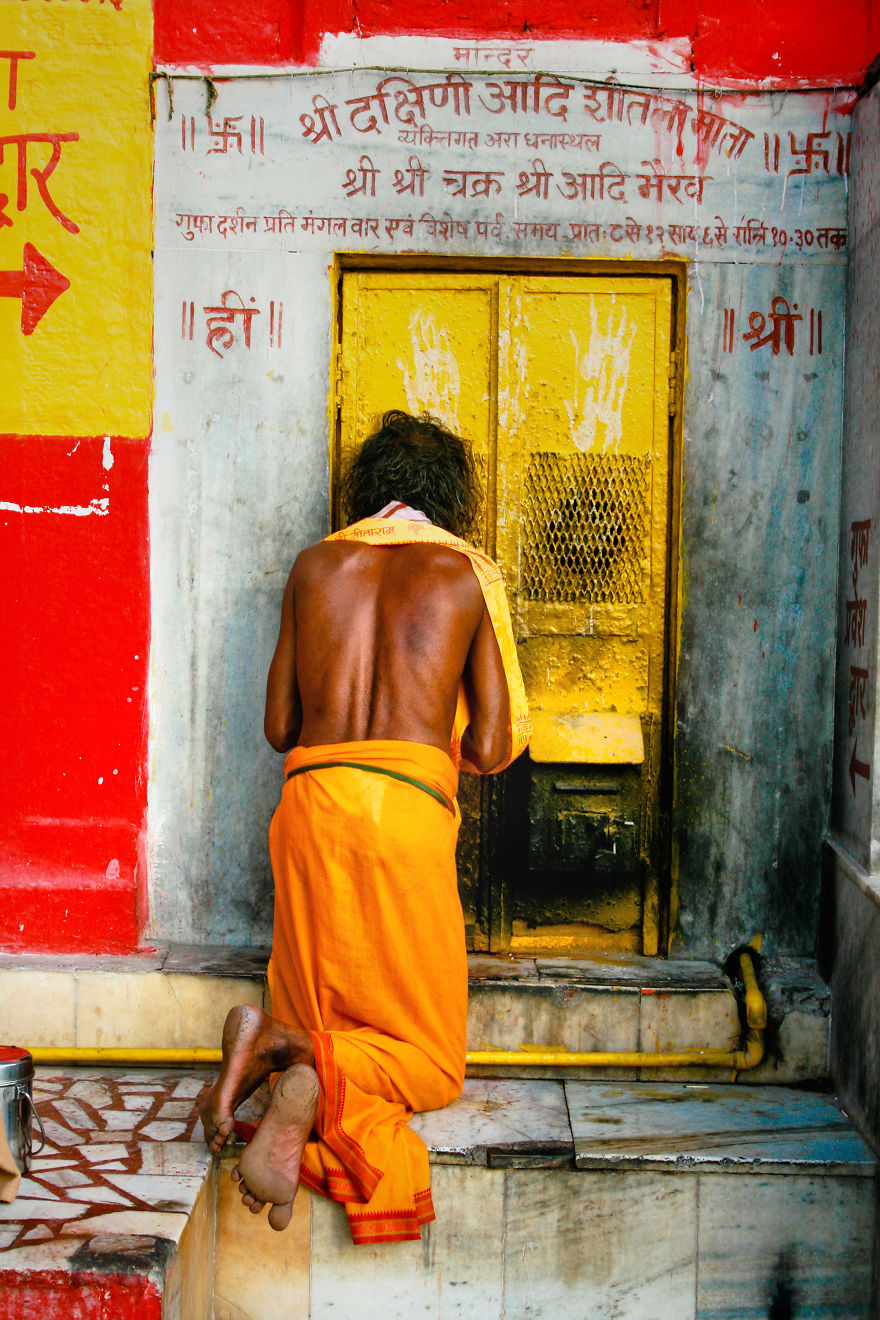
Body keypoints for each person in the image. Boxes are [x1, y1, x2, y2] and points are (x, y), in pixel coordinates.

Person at [200, 410, 530, 1243]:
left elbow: (279, 726)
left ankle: (295, 1067)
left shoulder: (314, 568)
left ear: (365, 489)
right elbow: (492, 745)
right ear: (452, 496)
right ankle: (280, 1050)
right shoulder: (464, 575)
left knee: (332, 1013)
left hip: (311, 805)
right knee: (430, 1063)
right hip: (405, 813)